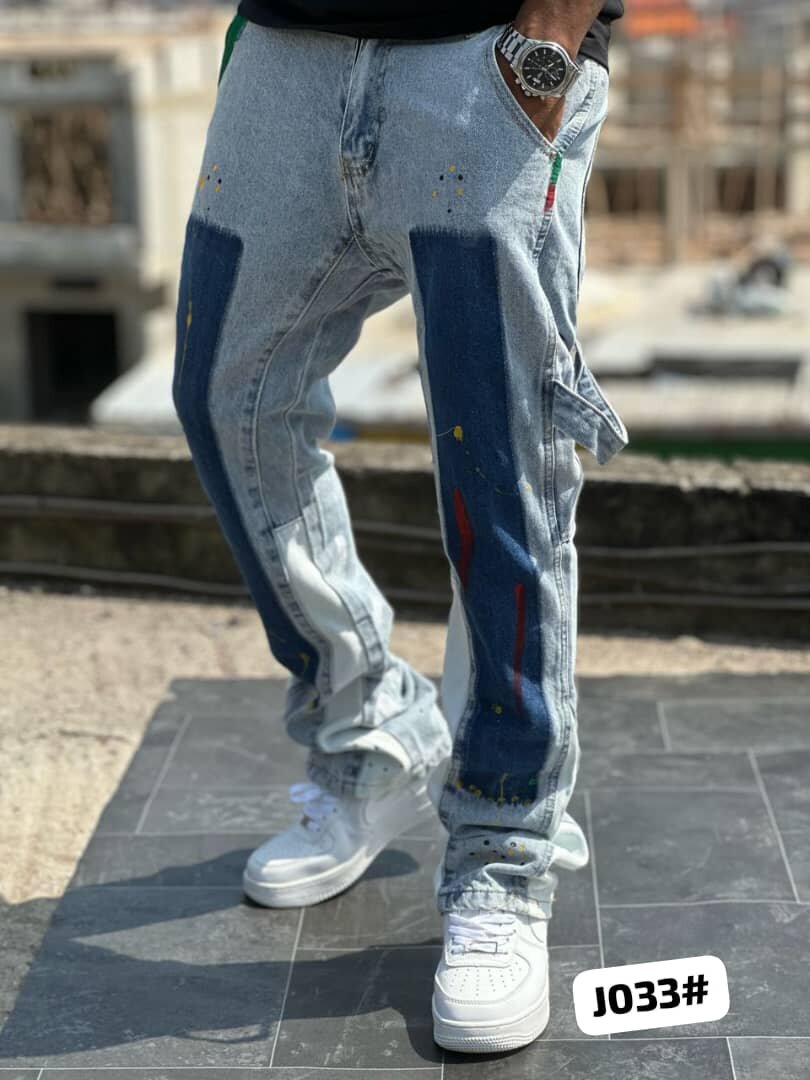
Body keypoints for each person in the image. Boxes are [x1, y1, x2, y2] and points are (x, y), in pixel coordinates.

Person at [173, 0, 628, 1054]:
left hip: (485, 61)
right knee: (226, 399)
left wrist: (549, 41)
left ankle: (504, 849)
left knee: (501, 458)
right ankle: (374, 727)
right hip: (284, 57)